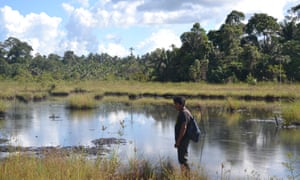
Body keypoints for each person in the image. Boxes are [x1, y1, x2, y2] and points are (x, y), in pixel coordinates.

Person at [173, 96, 191, 173]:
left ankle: (187, 176)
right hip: (183, 140)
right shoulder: (185, 111)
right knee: (182, 159)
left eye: (175, 104)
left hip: (183, 141)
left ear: (180, 104)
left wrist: (178, 142)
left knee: (183, 159)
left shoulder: (183, 113)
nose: (174, 106)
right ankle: (184, 176)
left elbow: (184, 128)